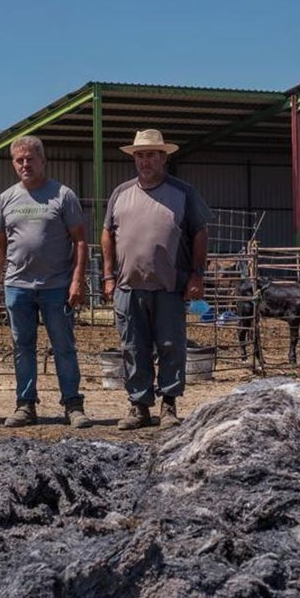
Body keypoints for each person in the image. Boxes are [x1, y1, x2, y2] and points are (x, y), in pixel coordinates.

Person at [101, 128, 211, 430]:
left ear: (163, 157)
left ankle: (169, 405)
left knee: (170, 345)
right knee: (132, 347)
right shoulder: (121, 193)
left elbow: (199, 233)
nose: (144, 161)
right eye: (139, 155)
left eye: (150, 154)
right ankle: (139, 406)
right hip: (128, 284)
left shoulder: (183, 193)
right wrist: (108, 275)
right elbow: (107, 233)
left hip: (169, 284)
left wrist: (196, 275)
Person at [0, 135, 91, 429]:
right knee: (23, 346)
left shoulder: (62, 195)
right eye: (19, 160)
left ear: (43, 161)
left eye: (30, 159)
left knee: (63, 346)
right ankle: (25, 404)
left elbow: (81, 240)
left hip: (56, 286)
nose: (24, 164)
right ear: (13, 164)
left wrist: (76, 281)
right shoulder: (6, 199)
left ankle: (72, 404)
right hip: (17, 286)